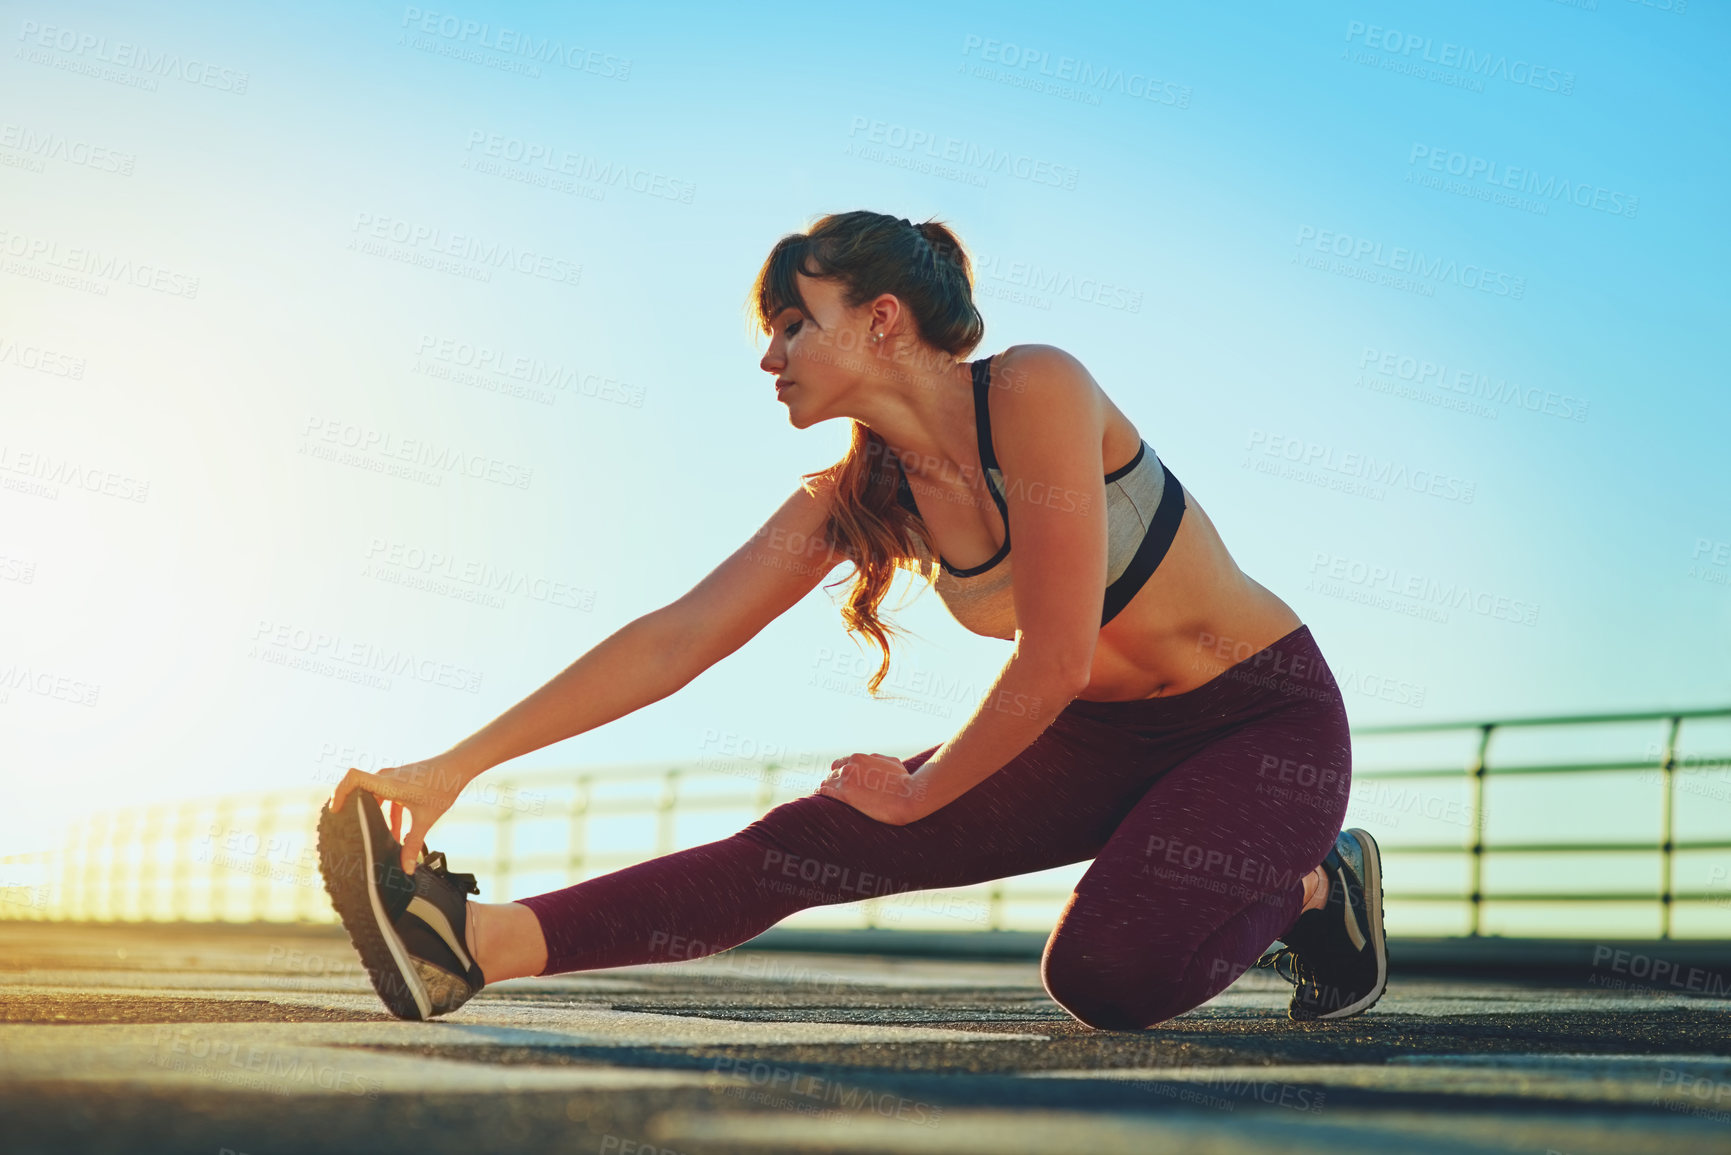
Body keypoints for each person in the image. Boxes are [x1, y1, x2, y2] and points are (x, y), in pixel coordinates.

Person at [318, 209, 1386, 1028]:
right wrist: (457, 764)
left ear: (882, 320)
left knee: (1103, 977)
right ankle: (471, 946)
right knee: (807, 843)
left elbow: (1053, 656)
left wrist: (920, 791)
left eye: (794, 323)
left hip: (1256, 726)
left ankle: (1313, 886)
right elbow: (676, 639)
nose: (770, 354)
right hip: (1095, 739)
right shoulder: (850, 502)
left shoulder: (1037, 391)